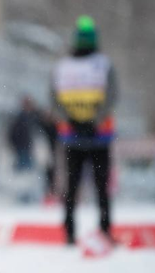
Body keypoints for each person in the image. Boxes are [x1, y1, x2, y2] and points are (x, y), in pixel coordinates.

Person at [51, 15, 119, 244]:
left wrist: (71, 120)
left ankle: (69, 232)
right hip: (98, 135)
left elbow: (53, 99)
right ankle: (104, 230)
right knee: (101, 186)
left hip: (72, 136)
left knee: (72, 187)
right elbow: (111, 96)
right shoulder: (104, 65)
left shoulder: (62, 67)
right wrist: (94, 120)